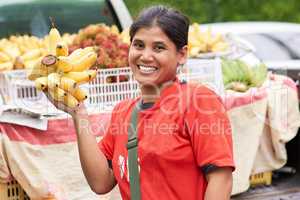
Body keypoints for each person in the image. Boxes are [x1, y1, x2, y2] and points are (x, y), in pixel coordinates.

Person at [46, 5, 235, 200]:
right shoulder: (123, 112)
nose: (145, 56)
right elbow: (101, 182)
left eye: (159, 48)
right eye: (138, 45)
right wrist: (79, 114)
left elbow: (221, 180)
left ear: (182, 54)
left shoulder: (199, 102)